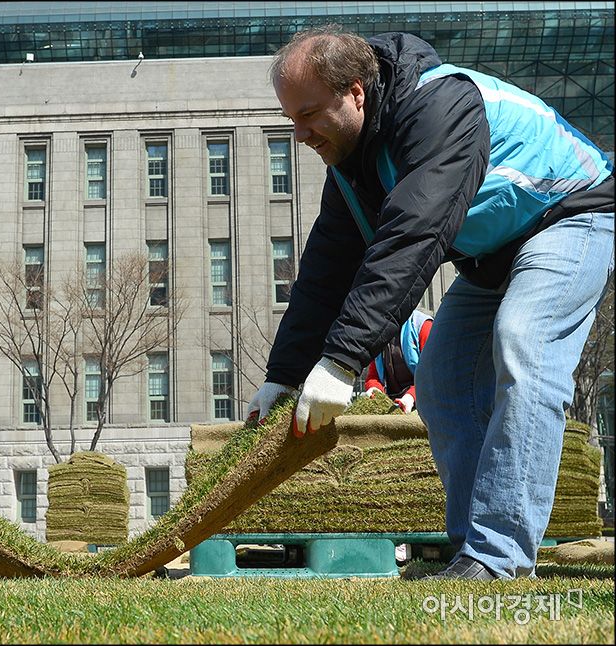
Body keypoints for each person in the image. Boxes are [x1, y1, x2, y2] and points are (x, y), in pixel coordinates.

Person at [247, 27, 613, 580]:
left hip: (570, 212)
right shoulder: (353, 164)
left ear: (356, 92)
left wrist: (343, 361)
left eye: (309, 114)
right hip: (497, 251)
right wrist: (285, 374)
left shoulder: (439, 108)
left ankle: (500, 558)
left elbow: (411, 240)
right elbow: (325, 275)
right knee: (442, 377)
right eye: (290, 119)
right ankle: (475, 551)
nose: (298, 133)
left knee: (522, 342)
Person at [361, 309, 433, 413]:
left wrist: (411, 397)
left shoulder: (423, 326)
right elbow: (373, 376)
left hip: (425, 404)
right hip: (393, 404)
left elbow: (433, 376)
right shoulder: (378, 332)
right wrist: (374, 389)